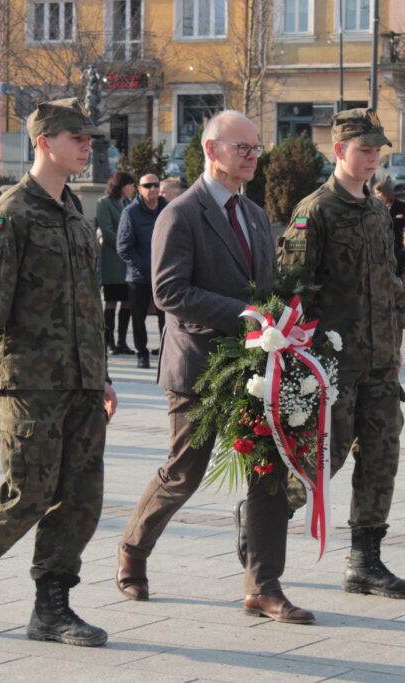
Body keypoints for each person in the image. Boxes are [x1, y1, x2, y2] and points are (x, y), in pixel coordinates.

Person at [115, 110, 313, 625]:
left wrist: (284, 322)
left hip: (257, 364)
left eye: (256, 148)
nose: (253, 156)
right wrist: (245, 315)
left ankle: (263, 586)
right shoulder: (181, 213)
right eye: (242, 147)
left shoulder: (255, 214)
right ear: (211, 149)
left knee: (268, 470)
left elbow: (266, 287)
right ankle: (133, 549)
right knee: (186, 471)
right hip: (200, 366)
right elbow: (168, 291)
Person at [0, 97, 118, 648]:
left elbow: (88, 304)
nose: (86, 147)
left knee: (81, 496)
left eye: (89, 140)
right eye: (76, 138)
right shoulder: (8, 214)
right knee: (29, 491)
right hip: (30, 379)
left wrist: (102, 375)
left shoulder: (74, 214)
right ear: (44, 142)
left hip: (81, 379)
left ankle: (51, 608)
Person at [274, 108, 405, 600]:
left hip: (380, 362)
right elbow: (291, 293)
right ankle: (263, 517)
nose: (373, 157)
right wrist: (301, 364)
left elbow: (388, 284)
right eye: (364, 149)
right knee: (323, 458)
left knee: (381, 456)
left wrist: (395, 346)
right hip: (333, 367)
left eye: (377, 150)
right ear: (339, 150)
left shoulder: (376, 210)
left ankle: (365, 563)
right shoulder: (315, 212)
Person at [116, 173, 167, 369]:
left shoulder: (168, 209)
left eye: (155, 185)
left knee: (167, 317)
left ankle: (165, 353)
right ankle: (142, 353)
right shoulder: (131, 212)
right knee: (138, 317)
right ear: (139, 189)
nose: (152, 189)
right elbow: (123, 247)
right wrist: (144, 267)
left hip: (164, 275)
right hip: (139, 276)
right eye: (147, 186)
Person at [95, 172, 136, 355]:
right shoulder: (104, 203)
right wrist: (124, 246)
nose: (133, 189)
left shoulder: (130, 204)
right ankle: (108, 341)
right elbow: (107, 230)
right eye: (130, 185)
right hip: (112, 260)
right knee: (111, 301)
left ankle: (122, 342)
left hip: (129, 263)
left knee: (127, 302)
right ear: (121, 186)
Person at [373, 180, 405, 249]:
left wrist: (384, 220)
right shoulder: (374, 206)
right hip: (378, 242)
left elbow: (402, 223)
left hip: (395, 242)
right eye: (376, 194)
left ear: (386, 192)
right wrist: (393, 219)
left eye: (379, 192)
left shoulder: (400, 205)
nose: (377, 196)